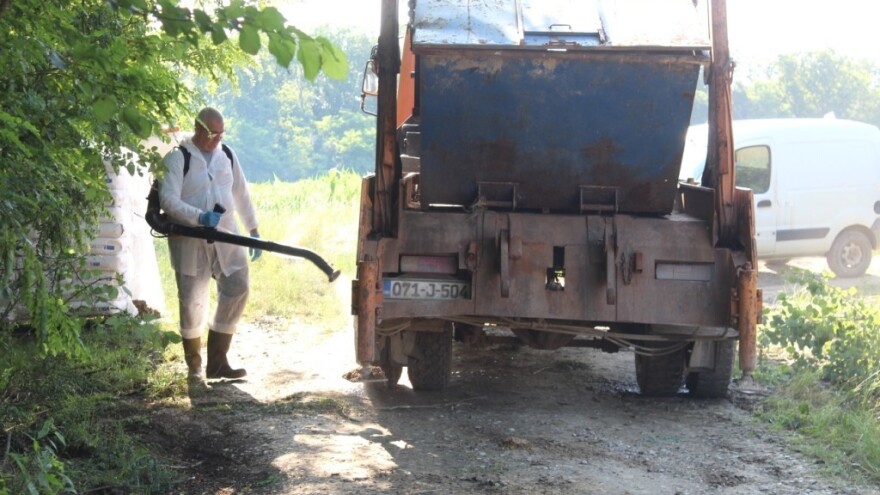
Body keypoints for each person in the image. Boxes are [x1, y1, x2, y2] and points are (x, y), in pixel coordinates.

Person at [159, 107, 262, 380]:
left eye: (220, 133)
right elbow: (168, 200)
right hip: (190, 240)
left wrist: (253, 229)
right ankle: (194, 365)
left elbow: (240, 192)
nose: (216, 139)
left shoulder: (226, 154)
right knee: (192, 301)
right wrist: (199, 217)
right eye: (211, 133)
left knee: (238, 286)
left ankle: (218, 362)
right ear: (196, 127)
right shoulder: (177, 157)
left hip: (227, 236)